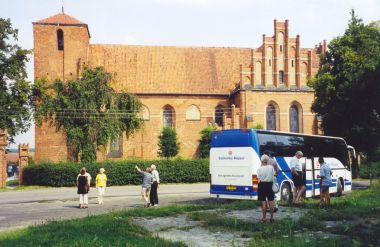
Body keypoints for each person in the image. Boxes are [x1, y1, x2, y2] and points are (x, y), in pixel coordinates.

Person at [257, 154, 276, 223]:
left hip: (262, 185)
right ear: (267, 160)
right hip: (270, 185)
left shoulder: (259, 169)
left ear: (261, 161)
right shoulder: (271, 167)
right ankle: (271, 218)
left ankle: (264, 218)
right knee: (271, 202)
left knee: (263, 202)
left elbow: (258, 179)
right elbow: (274, 175)